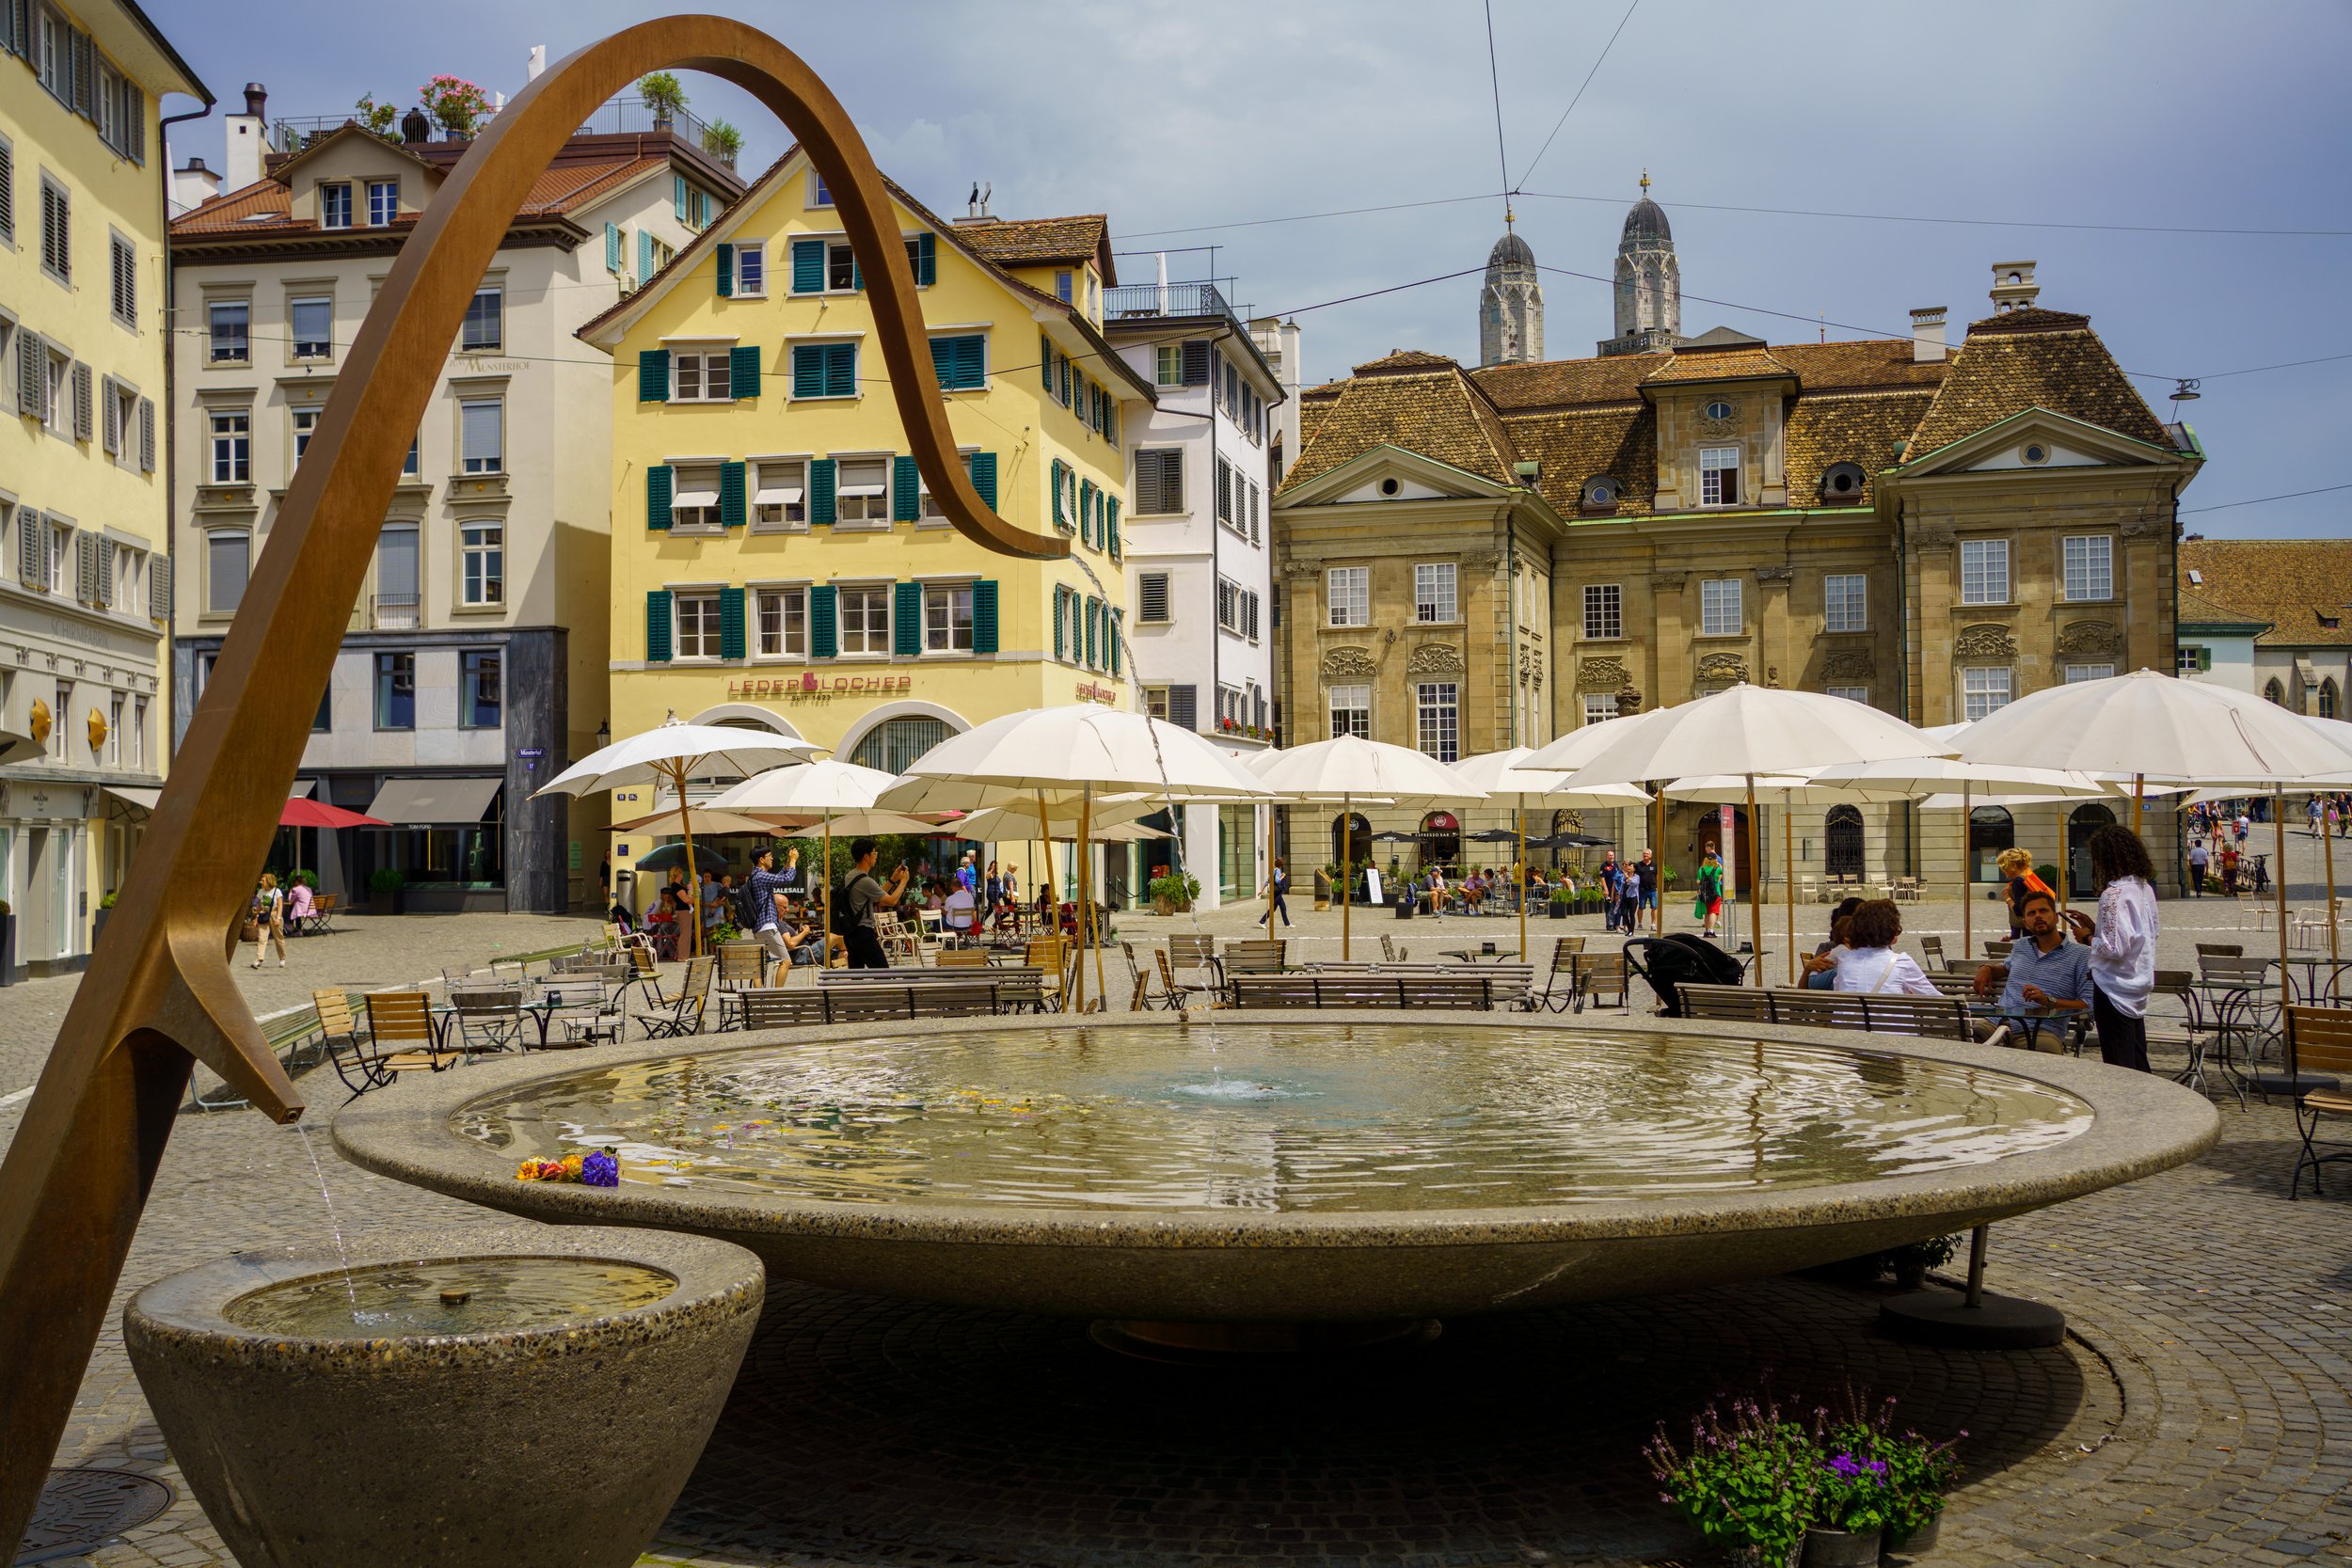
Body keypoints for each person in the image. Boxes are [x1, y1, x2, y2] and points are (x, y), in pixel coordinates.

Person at [2069, 824, 2157, 1072]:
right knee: (2137, 1058)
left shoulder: (2114, 894)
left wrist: (2087, 937)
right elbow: (2142, 935)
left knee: (2119, 1064)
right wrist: (2096, 927)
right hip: (2138, 981)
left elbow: (2113, 948)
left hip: (2113, 986)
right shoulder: (2144, 889)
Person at [1971, 887, 2095, 1049]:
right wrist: (1986, 968)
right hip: (1996, 1023)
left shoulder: (2081, 955)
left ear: (2056, 918)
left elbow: (2089, 1005)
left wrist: (2048, 1001)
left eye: (2043, 911)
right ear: (2025, 923)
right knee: (1968, 1038)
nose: (2038, 916)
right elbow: (2005, 967)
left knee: (2041, 1050)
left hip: (2042, 1029)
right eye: (2031, 913)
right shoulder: (2021, 946)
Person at [1829, 899, 1940, 996]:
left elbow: (1838, 991)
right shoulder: (1901, 962)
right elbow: (1934, 998)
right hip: (1887, 1015)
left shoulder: (1845, 959)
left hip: (1851, 1014)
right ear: (1891, 928)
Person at [841, 838, 911, 969]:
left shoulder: (850, 876)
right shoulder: (865, 880)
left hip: (850, 933)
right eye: (874, 853)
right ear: (866, 856)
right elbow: (891, 901)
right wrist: (903, 881)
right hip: (863, 933)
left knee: (856, 975)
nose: (876, 855)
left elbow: (876, 897)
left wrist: (893, 879)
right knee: (882, 973)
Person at [745, 845, 797, 974]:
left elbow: (778, 877)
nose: (772, 858)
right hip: (767, 926)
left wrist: (788, 862)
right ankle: (776, 989)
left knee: (759, 966)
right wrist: (793, 861)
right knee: (785, 961)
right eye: (769, 856)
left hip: (760, 927)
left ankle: (760, 989)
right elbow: (787, 879)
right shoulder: (761, 876)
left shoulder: (756, 875)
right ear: (761, 860)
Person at [1995, 847, 2055, 938]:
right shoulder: (2028, 876)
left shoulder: (2018, 881)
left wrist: (2007, 898)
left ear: (2013, 865)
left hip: (2024, 929)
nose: (2003, 870)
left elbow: (2019, 910)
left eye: (2004, 867)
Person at [247, 873, 287, 970]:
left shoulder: (277, 891)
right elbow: (259, 906)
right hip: (264, 914)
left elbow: (280, 906)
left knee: (278, 938)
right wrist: (256, 918)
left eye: (263, 881)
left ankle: (282, 958)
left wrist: (278, 918)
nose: (261, 882)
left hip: (274, 914)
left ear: (269, 881)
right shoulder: (261, 892)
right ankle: (259, 959)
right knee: (262, 938)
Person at [1692, 849, 1724, 939]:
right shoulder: (1717, 869)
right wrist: (1719, 865)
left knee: (1707, 913)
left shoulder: (1701, 869)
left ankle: (1706, 931)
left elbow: (1698, 881)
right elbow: (1720, 876)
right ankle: (1711, 930)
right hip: (1716, 893)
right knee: (1713, 912)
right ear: (1715, 860)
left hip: (1704, 894)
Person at [943, 876, 978, 943]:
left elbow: (944, 913)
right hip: (967, 925)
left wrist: (942, 910)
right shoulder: (970, 897)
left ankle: (940, 942)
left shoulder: (950, 898)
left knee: (937, 921)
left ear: (953, 887)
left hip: (953, 925)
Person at [1259, 856, 1292, 928]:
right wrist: (1282, 876)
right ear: (1281, 865)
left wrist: (1261, 890)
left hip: (1274, 892)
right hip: (1277, 892)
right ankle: (1262, 921)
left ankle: (1287, 924)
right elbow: (1277, 880)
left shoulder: (1273, 871)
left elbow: (1267, 881)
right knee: (1277, 908)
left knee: (1281, 907)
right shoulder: (1278, 871)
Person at [1597, 851, 1624, 932]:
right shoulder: (1604, 866)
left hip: (1616, 890)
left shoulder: (1615, 864)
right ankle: (1610, 925)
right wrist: (1605, 889)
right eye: (1609, 855)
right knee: (1609, 907)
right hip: (1608, 890)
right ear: (1606, 856)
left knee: (1616, 907)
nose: (1611, 857)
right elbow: (1602, 879)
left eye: (1612, 855)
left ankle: (1616, 924)